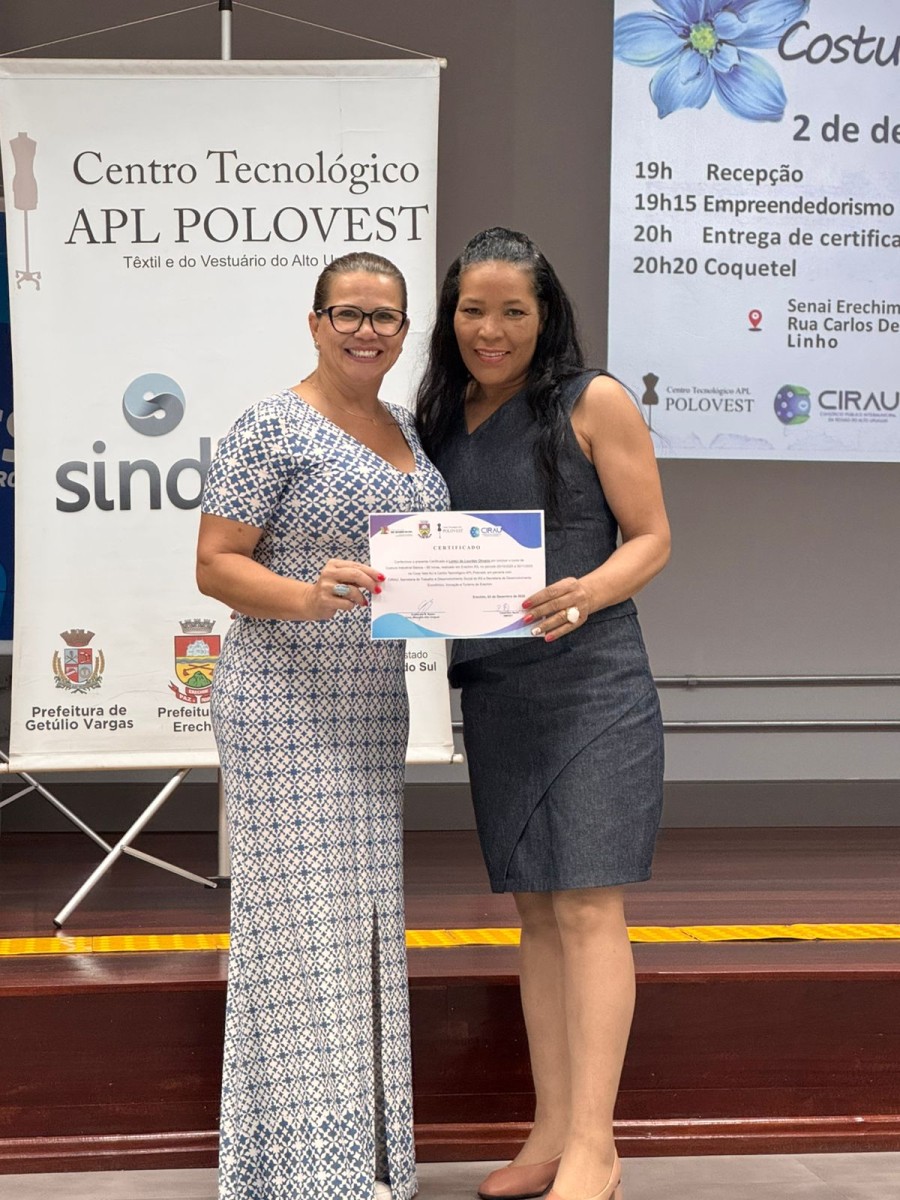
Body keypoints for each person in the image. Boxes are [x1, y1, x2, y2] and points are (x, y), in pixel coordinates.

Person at [416, 228, 670, 1200]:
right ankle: (552, 1131)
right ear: (451, 318)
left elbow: (652, 536)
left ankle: (597, 1148)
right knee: (535, 911)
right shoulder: (439, 416)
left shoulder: (593, 399)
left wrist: (588, 591)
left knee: (588, 905)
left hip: (592, 683)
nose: (491, 329)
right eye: (473, 310)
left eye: (512, 311)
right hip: (497, 690)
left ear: (545, 313)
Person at [197, 251, 449, 1200]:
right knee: (295, 932)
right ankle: (292, 1170)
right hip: (282, 702)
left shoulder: (408, 427)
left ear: (404, 330)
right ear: (315, 322)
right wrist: (306, 597)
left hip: (371, 705)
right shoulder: (270, 425)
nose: (367, 331)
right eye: (349, 313)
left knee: (364, 928)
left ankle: (364, 1159)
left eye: (385, 317)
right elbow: (216, 563)